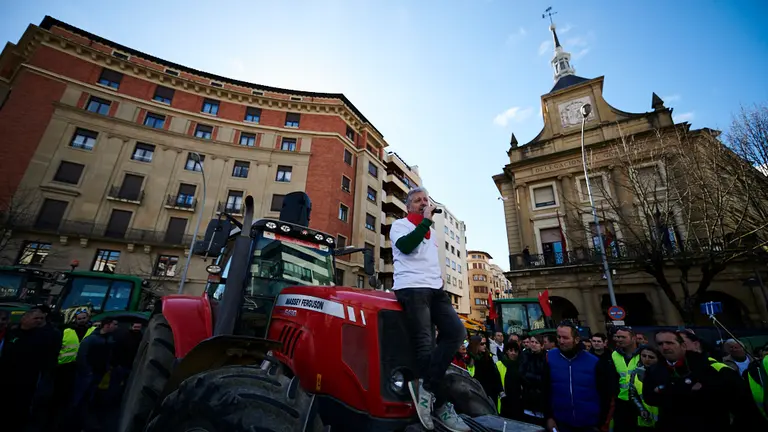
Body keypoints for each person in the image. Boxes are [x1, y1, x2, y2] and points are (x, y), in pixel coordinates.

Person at [390, 187, 468, 432]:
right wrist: (424, 222)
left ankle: (425, 387)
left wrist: (439, 279)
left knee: (456, 333)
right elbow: (406, 247)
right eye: (418, 200)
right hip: (412, 288)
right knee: (425, 344)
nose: (424, 202)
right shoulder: (399, 225)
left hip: (435, 289)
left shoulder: (431, 232)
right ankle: (441, 404)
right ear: (408, 206)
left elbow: (429, 259)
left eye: (426, 199)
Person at [643, 330, 767, 432]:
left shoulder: (709, 366)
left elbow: (733, 401)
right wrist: (686, 389)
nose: (665, 347)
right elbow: (650, 398)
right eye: (660, 344)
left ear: (683, 346)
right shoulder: (653, 370)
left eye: (669, 343)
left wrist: (665, 390)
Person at [0, 306, 62, 431]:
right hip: (7, 379)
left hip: (28, 381)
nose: (39, 321)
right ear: (25, 318)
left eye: (41, 318)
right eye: (36, 318)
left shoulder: (46, 335)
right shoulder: (12, 333)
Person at [543, 324, 614, 432]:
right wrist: (549, 417)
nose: (561, 341)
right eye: (559, 337)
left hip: (590, 424)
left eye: (565, 338)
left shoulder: (593, 361)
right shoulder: (550, 357)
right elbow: (545, 390)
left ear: (576, 339)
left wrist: (601, 423)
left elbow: (606, 395)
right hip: (561, 422)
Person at [612, 327, 642, 432]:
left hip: (641, 401)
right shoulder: (614, 355)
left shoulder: (644, 354)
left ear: (633, 338)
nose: (619, 339)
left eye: (623, 337)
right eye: (618, 337)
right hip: (621, 402)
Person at [628, 346, 660, 429]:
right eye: (644, 356)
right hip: (645, 419)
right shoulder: (636, 372)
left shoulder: (664, 374)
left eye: (651, 357)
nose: (647, 359)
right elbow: (633, 394)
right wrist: (641, 409)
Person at [467, 335, 503, 406]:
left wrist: (500, 390)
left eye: (485, 343)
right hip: (477, 392)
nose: (484, 346)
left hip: (490, 392)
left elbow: (495, 374)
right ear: (475, 345)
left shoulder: (488, 357)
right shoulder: (469, 358)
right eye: (482, 344)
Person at [520, 334, 547, 425]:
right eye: (532, 342)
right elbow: (522, 374)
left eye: (537, 342)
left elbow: (546, 377)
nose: (534, 344)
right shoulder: (525, 356)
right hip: (528, 397)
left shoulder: (546, 357)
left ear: (542, 345)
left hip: (542, 398)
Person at [496, 341, 522, 420]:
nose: (513, 353)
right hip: (504, 401)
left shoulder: (521, 365)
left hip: (517, 402)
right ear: (506, 351)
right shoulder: (499, 364)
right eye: (511, 350)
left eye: (515, 351)